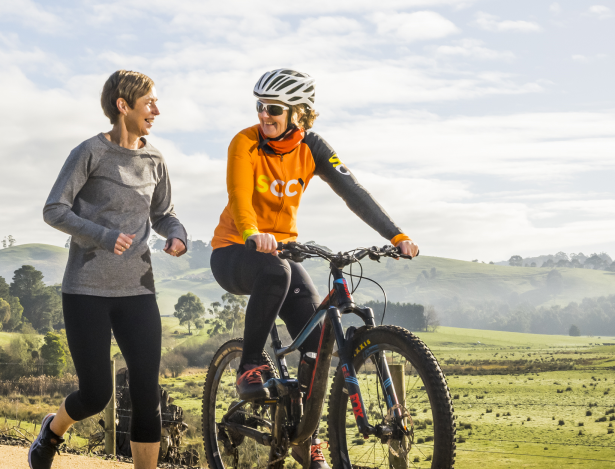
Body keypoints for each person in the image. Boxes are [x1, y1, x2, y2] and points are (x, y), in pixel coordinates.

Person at [208, 68, 419, 469]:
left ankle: (304, 435)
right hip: (235, 252)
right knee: (277, 273)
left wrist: (396, 235)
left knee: (318, 343)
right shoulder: (245, 142)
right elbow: (239, 195)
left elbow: (354, 192)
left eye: (273, 109)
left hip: (279, 254)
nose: (263, 116)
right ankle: (250, 362)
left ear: (299, 114)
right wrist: (253, 232)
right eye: (259, 106)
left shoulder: (314, 147)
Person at [28, 70, 188, 469]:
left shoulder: (154, 159)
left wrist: (177, 234)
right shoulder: (90, 153)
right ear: (123, 105)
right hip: (87, 290)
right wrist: (101, 235)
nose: (156, 110)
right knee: (96, 394)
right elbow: (55, 209)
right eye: (149, 101)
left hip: (138, 290)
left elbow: (164, 212)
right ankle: (51, 430)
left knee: (147, 395)